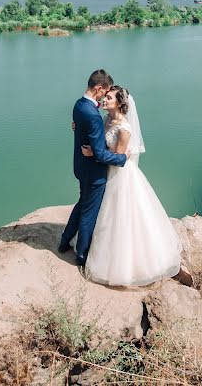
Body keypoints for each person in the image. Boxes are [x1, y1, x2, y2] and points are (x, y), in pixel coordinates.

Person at [82, 86, 183, 287]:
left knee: (119, 216)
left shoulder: (124, 128)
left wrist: (93, 153)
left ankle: (123, 264)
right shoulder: (106, 120)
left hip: (119, 174)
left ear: (119, 103)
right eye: (105, 96)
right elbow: (101, 142)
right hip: (107, 171)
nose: (104, 100)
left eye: (108, 98)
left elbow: (116, 158)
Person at [58, 70, 129, 267]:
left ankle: (64, 242)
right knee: (89, 213)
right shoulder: (94, 116)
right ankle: (81, 256)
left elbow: (83, 130)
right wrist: (123, 158)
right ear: (98, 88)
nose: (103, 98)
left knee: (81, 205)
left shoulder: (79, 105)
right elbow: (99, 154)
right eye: (104, 93)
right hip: (94, 173)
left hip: (81, 168)